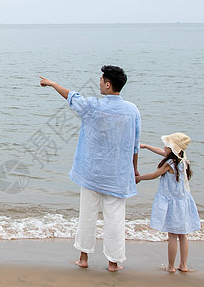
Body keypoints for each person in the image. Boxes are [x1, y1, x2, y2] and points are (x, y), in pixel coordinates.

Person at [39, 65, 141, 272]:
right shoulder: (132, 110)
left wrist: (53, 84)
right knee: (115, 219)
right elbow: (134, 145)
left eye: (101, 80)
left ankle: (83, 258)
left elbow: (72, 97)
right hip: (117, 175)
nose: (99, 83)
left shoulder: (93, 106)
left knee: (87, 215)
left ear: (108, 84)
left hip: (91, 172)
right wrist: (135, 170)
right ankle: (113, 263)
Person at [136, 133, 200, 273]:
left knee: (172, 235)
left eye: (167, 145)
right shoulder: (183, 160)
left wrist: (139, 178)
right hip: (183, 202)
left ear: (173, 149)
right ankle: (183, 265)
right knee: (183, 235)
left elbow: (155, 174)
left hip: (173, 204)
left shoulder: (169, 164)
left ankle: (171, 266)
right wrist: (146, 146)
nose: (164, 147)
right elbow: (162, 152)